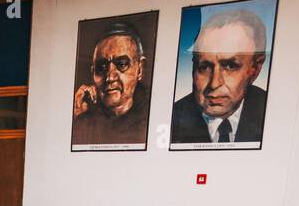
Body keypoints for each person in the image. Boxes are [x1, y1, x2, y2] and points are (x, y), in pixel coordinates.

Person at [170, 8, 270, 145]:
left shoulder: (273, 112)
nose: (214, 83)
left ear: (255, 68)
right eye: (204, 67)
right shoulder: (172, 119)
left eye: (230, 66)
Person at [71, 21, 152, 147]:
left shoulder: (152, 114)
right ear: (93, 73)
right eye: (101, 67)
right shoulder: (83, 117)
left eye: (121, 64)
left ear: (140, 69)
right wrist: (77, 118)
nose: (110, 77)